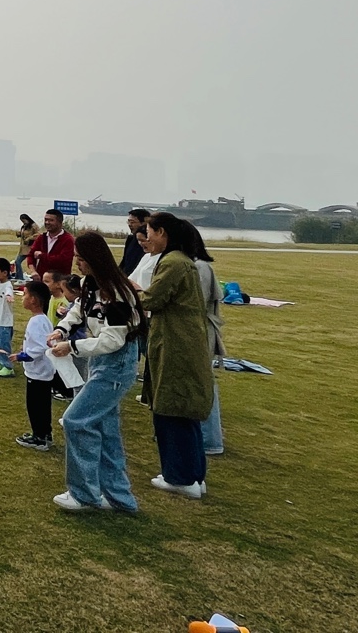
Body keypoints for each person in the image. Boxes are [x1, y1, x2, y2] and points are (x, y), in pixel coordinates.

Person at [47, 230, 145, 512]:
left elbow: (113, 340)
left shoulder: (117, 293)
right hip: (101, 361)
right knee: (106, 429)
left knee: (75, 421)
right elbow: (79, 309)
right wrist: (61, 329)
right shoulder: (91, 284)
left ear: (94, 258)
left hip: (116, 364)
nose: (76, 263)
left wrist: (72, 347)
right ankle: (120, 498)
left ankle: (85, 495)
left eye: (80, 258)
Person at [139, 212, 214, 500]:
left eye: (149, 232)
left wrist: (127, 293)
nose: (146, 238)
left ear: (162, 232)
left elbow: (152, 299)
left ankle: (179, 477)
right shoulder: (182, 260)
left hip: (175, 346)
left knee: (171, 411)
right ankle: (194, 476)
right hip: (182, 344)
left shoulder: (172, 262)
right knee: (184, 414)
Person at [184, 223, 227, 457]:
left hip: (199, 332)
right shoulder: (194, 265)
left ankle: (210, 440)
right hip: (196, 331)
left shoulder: (199, 267)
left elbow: (195, 303)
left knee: (202, 384)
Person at [10, 280, 55, 452]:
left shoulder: (37, 321)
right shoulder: (42, 320)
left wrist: (21, 356)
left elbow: (39, 348)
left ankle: (39, 437)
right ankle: (45, 433)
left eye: (25, 294)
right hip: (42, 371)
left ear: (34, 300)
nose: (23, 298)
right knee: (42, 404)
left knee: (36, 406)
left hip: (38, 372)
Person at [27, 209, 75, 281]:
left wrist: (42, 256)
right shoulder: (41, 238)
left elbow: (62, 260)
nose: (47, 222)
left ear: (60, 222)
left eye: (51, 220)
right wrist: (33, 271)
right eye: (46, 220)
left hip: (60, 281)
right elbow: (30, 255)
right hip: (41, 280)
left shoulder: (68, 240)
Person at [121, 208, 149, 275]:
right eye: (128, 221)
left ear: (143, 223)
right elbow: (124, 262)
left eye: (132, 222)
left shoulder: (150, 242)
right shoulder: (130, 239)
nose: (129, 224)